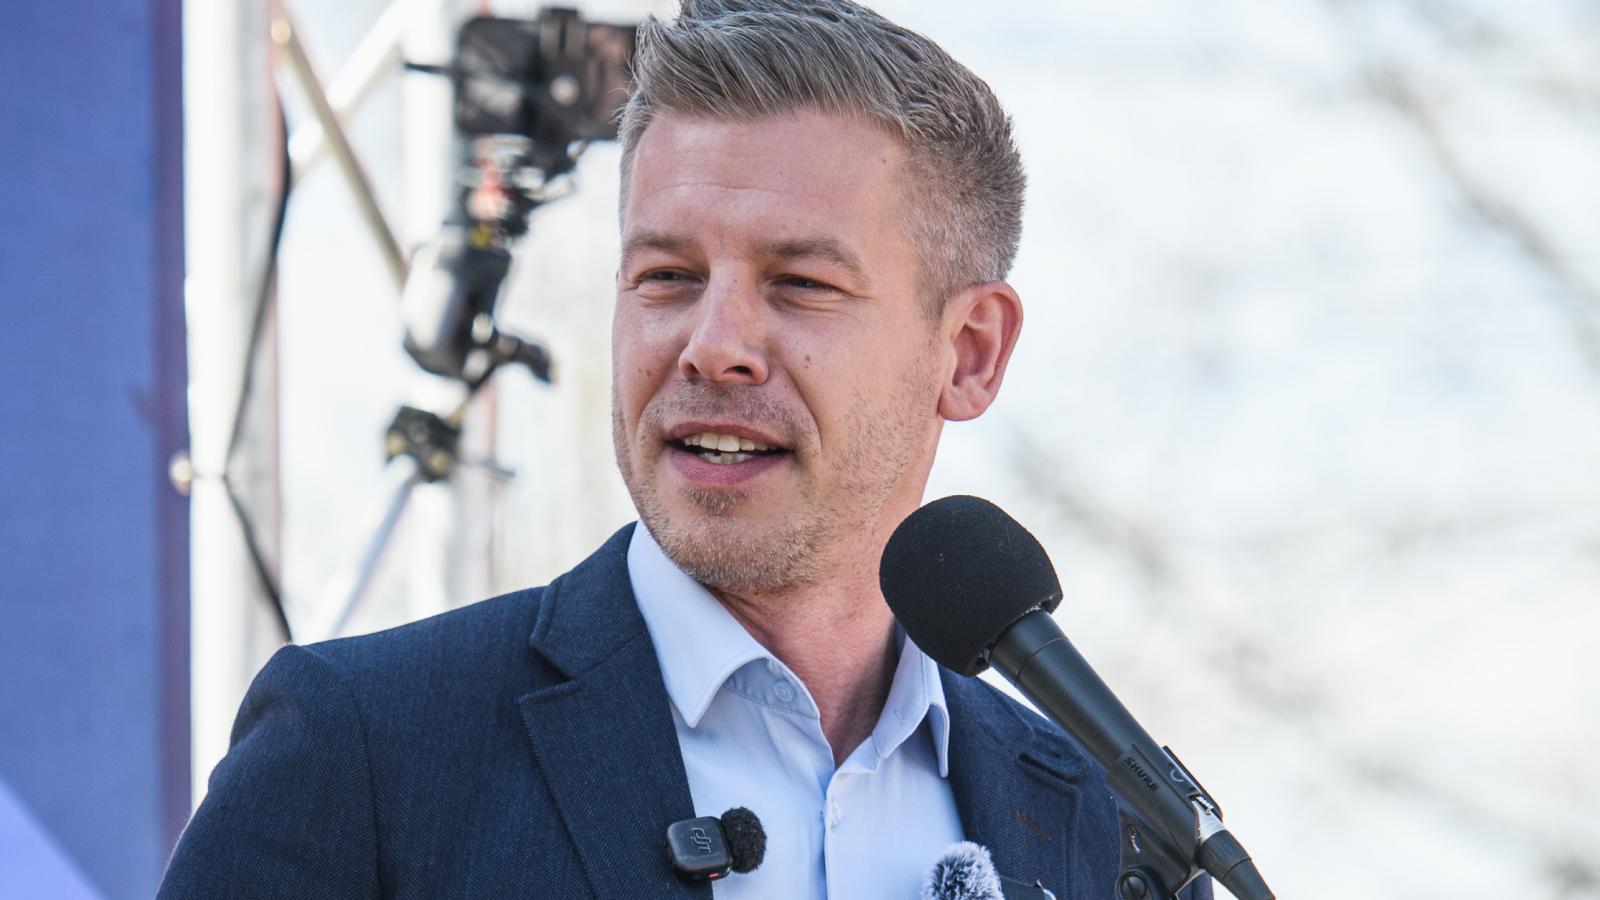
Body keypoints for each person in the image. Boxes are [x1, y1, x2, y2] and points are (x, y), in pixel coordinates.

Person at [160, 1, 1211, 897]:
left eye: (800, 284)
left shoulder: (1093, 822)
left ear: (969, 352)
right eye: (667, 277)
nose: (713, 345)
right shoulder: (366, 748)